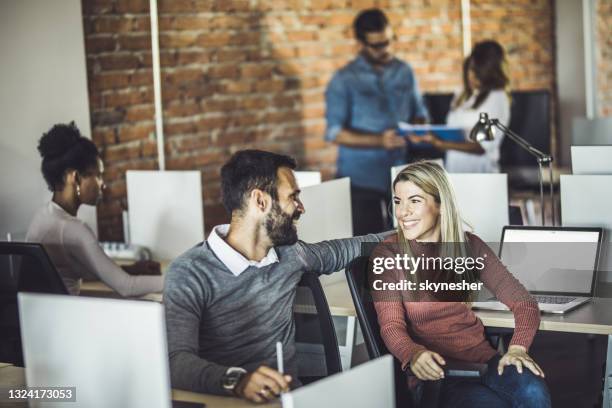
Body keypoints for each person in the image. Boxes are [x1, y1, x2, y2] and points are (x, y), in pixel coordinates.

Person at [164, 150, 389, 403]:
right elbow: (176, 361)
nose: (301, 208)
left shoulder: (292, 254)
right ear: (260, 201)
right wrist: (238, 381)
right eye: (293, 197)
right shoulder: (189, 272)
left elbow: (352, 247)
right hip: (229, 401)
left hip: (290, 400)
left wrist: (414, 233)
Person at [373, 161, 550, 407]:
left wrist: (518, 348)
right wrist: (412, 354)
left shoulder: (469, 246)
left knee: (533, 390)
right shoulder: (388, 254)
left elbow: (525, 304)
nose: (402, 212)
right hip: (439, 376)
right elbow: (391, 325)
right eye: (398, 201)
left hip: (485, 363)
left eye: (414, 201)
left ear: (441, 205)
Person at [26, 122, 163, 297]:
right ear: (75, 177)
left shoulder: (43, 216)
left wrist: (131, 269)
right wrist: (180, 278)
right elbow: (128, 287)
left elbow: (80, 270)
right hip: (68, 319)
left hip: (47, 318)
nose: (103, 184)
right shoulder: (73, 229)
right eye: (98, 175)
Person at [325, 8, 429, 235]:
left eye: (390, 41)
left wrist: (418, 128)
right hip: (360, 181)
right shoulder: (344, 79)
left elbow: (419, 112)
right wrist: (379, 140)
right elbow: (335, 133)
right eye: (379, 45)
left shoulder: (405, 71)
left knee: (406, 247)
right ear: (361, 44)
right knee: (366, 251)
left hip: (402, 176)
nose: (388, 49)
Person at [411, 40, 511, 173]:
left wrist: (442, 144)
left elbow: (483, 147)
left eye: (477, 72)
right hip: (454, 170)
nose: (471, 76)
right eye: (471, 69)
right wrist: (428, 135)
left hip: (481, 175)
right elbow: (452, 130)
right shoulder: (461, 94)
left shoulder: (497, 97)